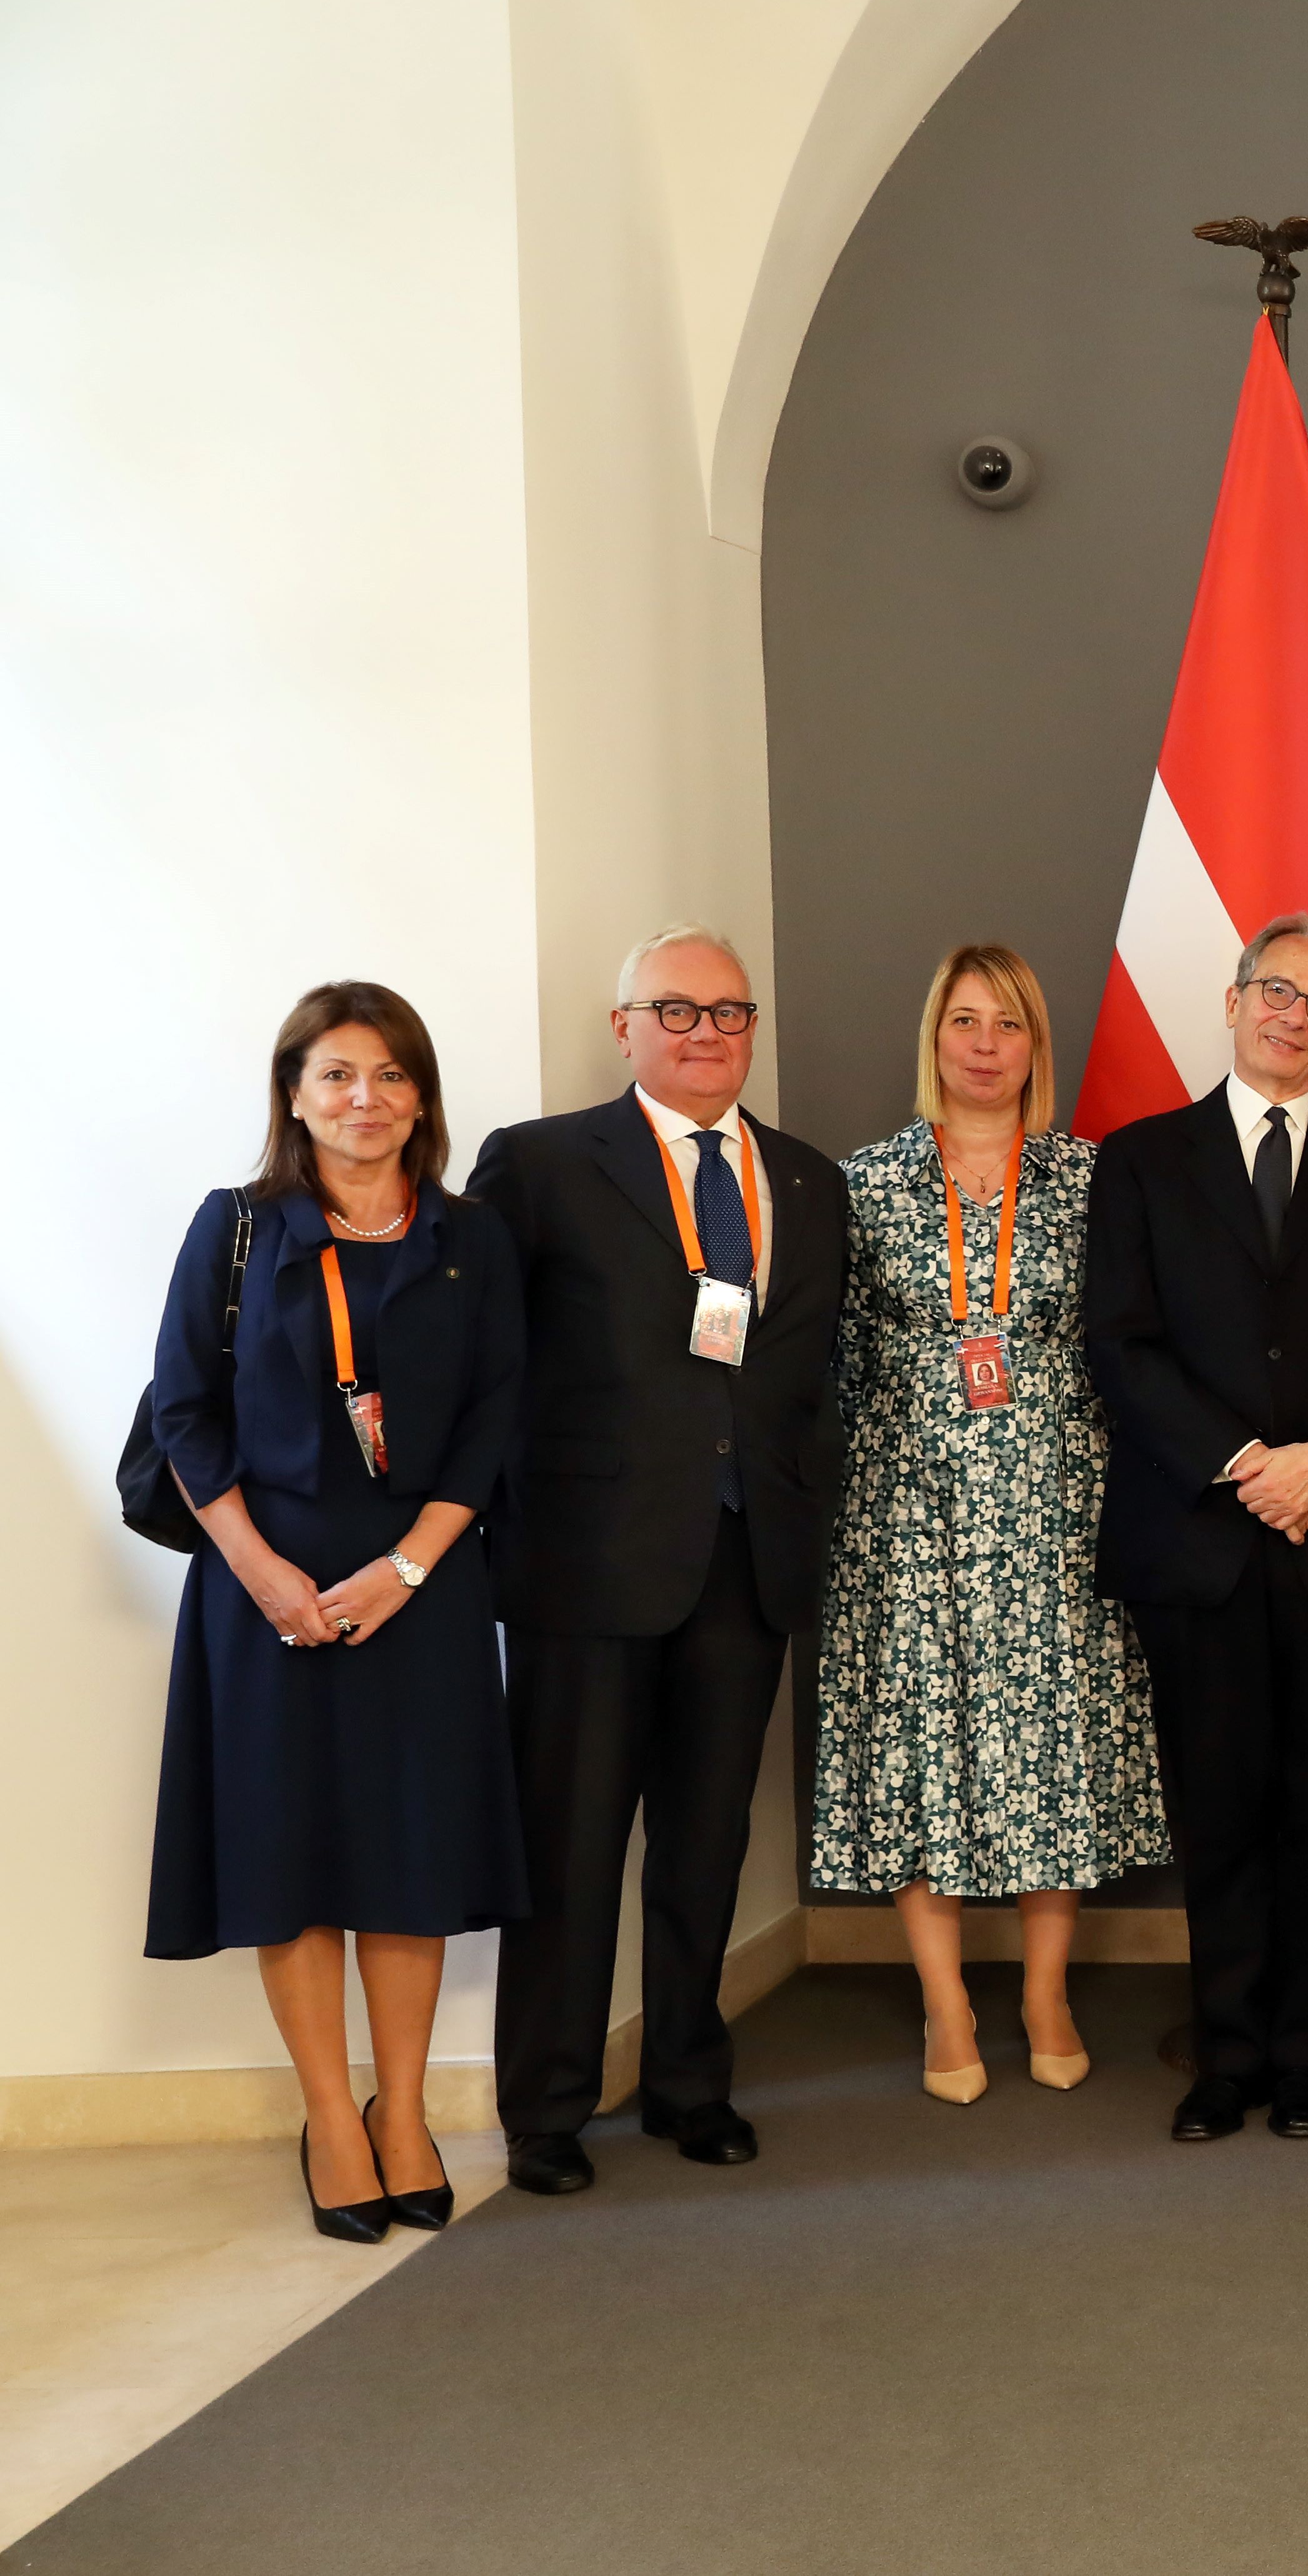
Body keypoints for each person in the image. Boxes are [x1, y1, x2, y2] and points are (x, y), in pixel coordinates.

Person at [472, 927, 849, 2197]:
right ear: (623, 1026)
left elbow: (810, 1373)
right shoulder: (539, 1164)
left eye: (729, 1011)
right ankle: (547, 2104)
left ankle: (690, 2079)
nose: (705, 1033)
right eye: (675, 1009)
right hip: (588, 1569)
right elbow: (486, 1355)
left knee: (704, 1844)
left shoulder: (807, 1180)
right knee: (571, 1845)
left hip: (748, 1563)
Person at [147, 984, 526, 2240]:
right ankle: (330, 2117)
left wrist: (407, 1568)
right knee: (291, 1859)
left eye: (392, 1074)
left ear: (422, 1096)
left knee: (411, 1861)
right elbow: (184, 1410)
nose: (367, 1098)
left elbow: (494, 1419)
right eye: (338, 1075)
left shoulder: (474, 1237)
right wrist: (260, 1571)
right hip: (265, 1591)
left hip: (423, 1586)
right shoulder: (239, 1228)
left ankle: (403, 2112)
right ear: (295, 1094)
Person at [1086, 913, 1308, 2146]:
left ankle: (1305, 2054)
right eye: (1279, 992)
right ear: (1235, 998)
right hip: (1198, 1537)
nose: (1296, 1017)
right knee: (1219, 1807)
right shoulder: (1141, 1160)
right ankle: (1227, 2054)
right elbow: (1120, 1344)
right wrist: (1248, 1464)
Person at [809, 946, 1169, 2105]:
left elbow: (1129, 1339)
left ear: (1034, 1047)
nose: (984, 1044)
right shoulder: (865, 1182)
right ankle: (947, 2000)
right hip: (906, 1512)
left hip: (1059, 1506)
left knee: (1053, 1742)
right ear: (934, 1037)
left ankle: (1045, 1992)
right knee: (924, 1743)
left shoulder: (1092, 1177)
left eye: (1007, 1024)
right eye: (964, 1021)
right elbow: (838, 1359)